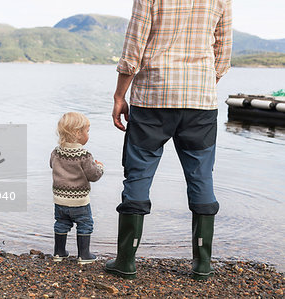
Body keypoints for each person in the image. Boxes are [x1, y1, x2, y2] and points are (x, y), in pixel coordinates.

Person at [105, 0, 233, 280]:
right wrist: (203, 84)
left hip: (152, 96)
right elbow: (223, 52)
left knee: (138, 175)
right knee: (201, 177)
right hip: (200, 100)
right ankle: (202, 264)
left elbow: (133, 47)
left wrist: (119, 95)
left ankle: (126, 262)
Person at [50, 112, 104, 264]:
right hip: (79, 201)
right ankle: (84, 255)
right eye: (87, 131)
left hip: (59, 200)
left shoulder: (56, 152)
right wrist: (100, 167)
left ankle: (59, 252)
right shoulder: (84, 155)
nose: (88, 134)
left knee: (61, 222)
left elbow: (51, 165)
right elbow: (94, 175)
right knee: (85, 224)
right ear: (77, 133)